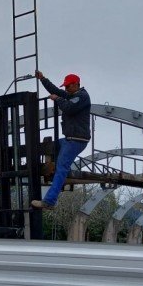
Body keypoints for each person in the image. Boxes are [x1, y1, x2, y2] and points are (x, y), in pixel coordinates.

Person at [31, 70, 91, 209]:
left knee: (61, 168)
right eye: (65, 86)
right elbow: (55, 91)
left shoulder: (82, 96)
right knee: (50, 146)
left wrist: (57, 99)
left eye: (68, 86)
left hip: (76, 140)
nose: (66, 89)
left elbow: (68, 108)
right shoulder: (72, 95)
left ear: (76, 84)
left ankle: (49, 201)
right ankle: (52, 168)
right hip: (68, 139)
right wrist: (43, 79)